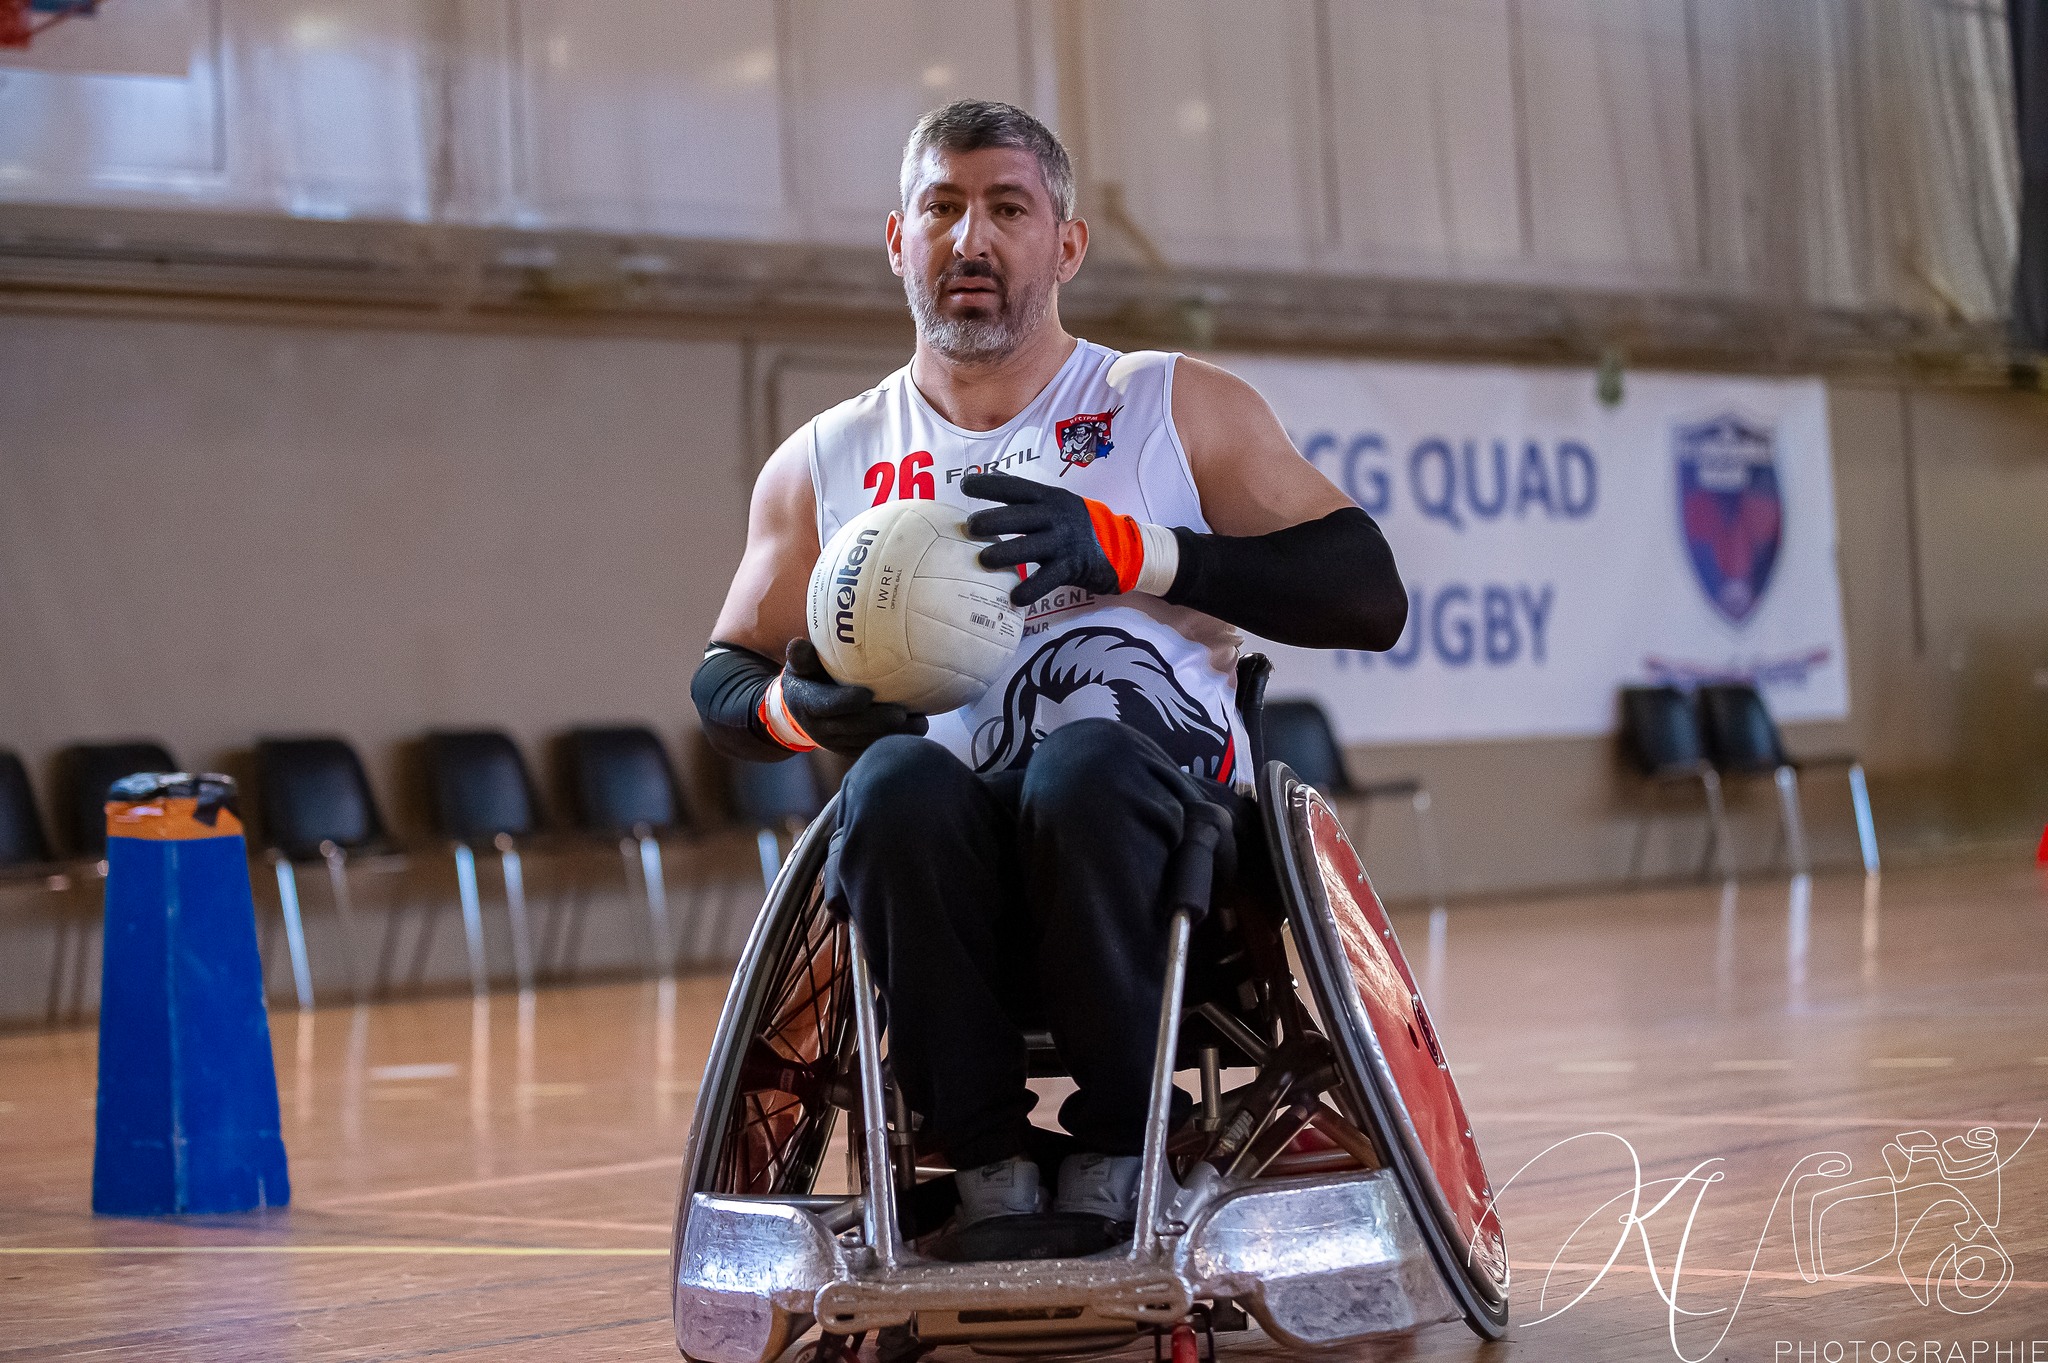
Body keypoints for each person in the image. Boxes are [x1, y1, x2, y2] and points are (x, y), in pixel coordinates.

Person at [692, 100, 1406, 1234]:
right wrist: (791, 707)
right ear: (897, 241)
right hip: (945, 881)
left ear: (1063, 245)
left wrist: (1136, 551)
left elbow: (1368, 591)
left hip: (1170, 862)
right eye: (942, 208)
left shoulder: (1166, 406)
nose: (970, 239)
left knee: (1079, 767)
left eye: (1006, 208)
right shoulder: (823, 457)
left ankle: (1128, 1141)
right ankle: (985, 1164)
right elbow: (720, 685)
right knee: (885, 787)